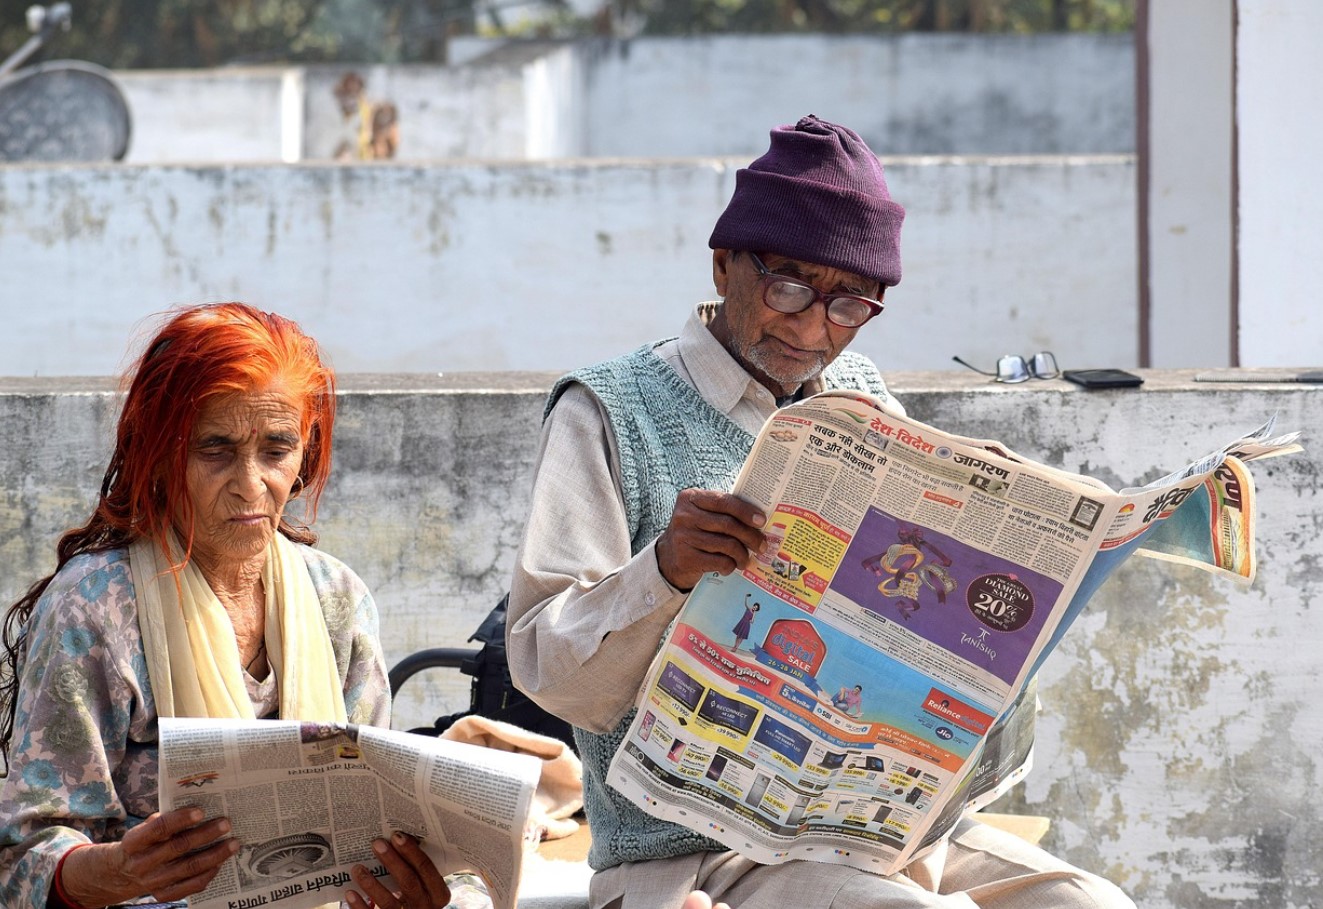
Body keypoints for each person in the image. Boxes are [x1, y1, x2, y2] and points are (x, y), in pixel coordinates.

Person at [506, 115, 1136, 909]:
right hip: (696, 856)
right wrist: (664, 569)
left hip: (881, 833)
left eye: (848, 305)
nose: (811, 328)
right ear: (723, 263)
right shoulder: (608, 409)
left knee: (1089, 903)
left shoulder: (861, 398)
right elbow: (547, 670)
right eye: (789, 288)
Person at [0, 303, 448, 909]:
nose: (250, 483)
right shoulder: (96, 608)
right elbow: (21, 860)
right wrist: (118, 871)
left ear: (306, 454)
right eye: (216, 449)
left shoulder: (336, 599)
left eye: (276, 449)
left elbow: (373, 820)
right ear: (159, 454)